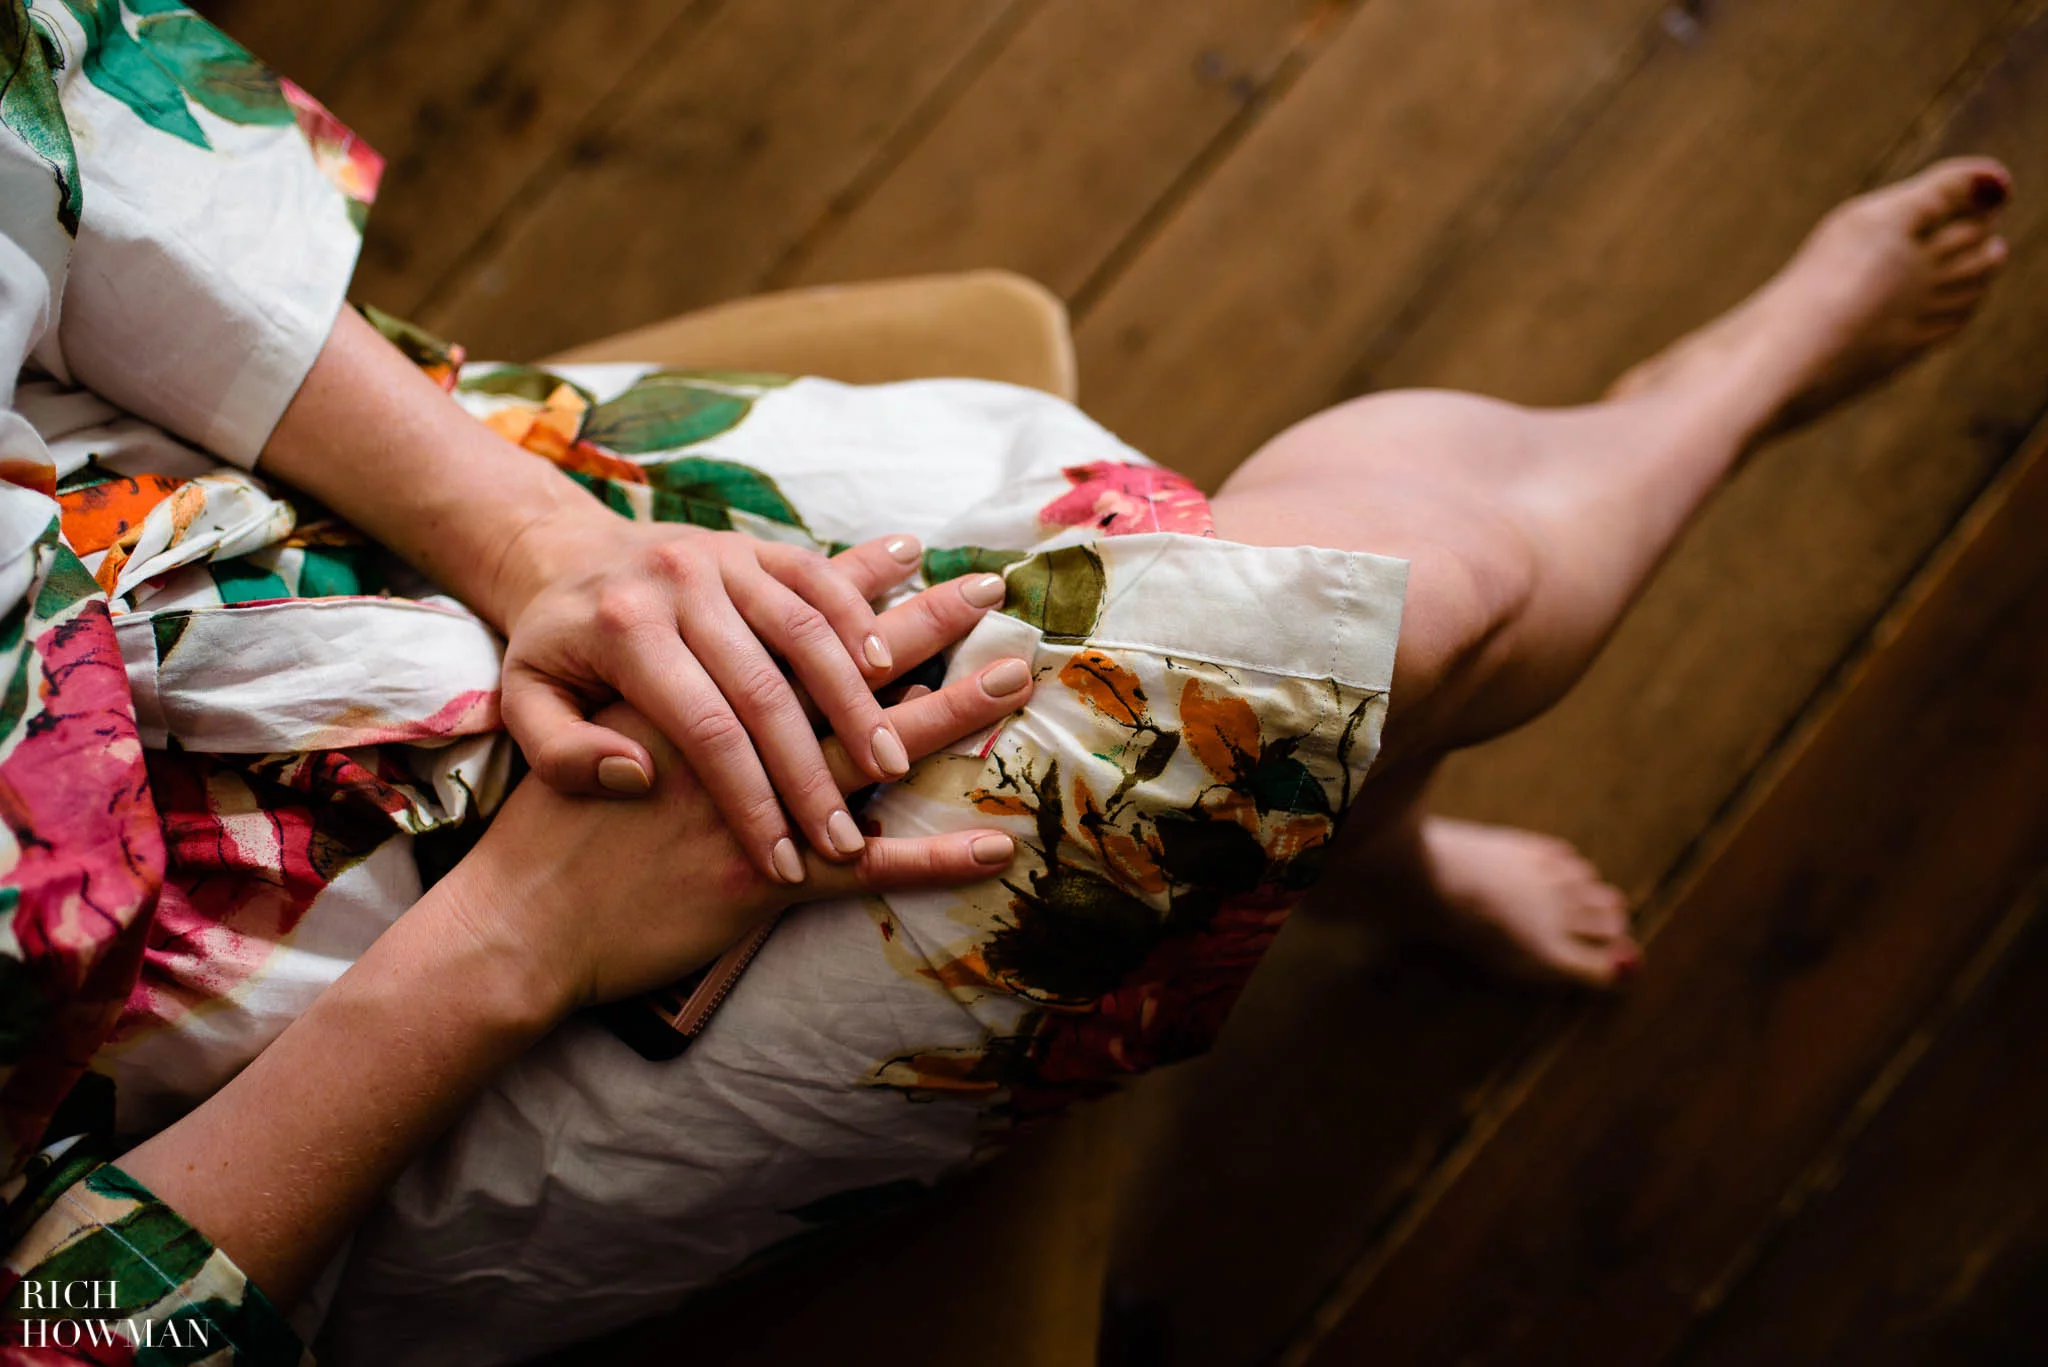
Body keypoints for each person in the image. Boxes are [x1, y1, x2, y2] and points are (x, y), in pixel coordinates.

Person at [0, 2, 2010, 1360]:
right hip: (272, 1086)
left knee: (1259, 624)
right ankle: (1707, 403)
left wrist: (551, 547)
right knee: (1361, 622)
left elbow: (51, 105)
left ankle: (1380, 823)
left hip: (289, 514)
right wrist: (513, 941)